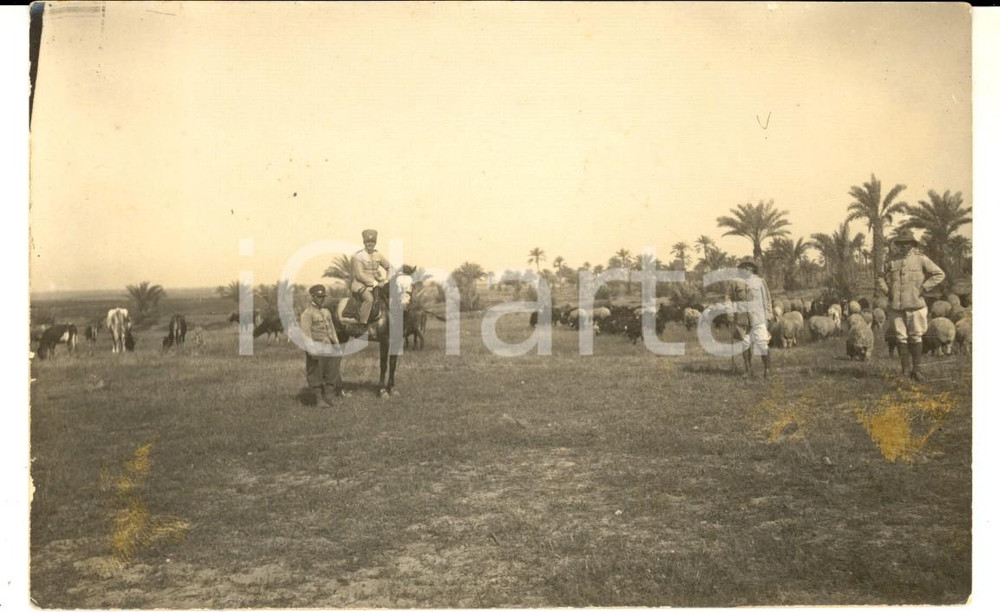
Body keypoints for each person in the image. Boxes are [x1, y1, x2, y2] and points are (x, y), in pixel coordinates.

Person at [877, 228, 945, 381]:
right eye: (901, 243)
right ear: (898, 245)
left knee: (916, 337)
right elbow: (879, 277)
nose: (904, 246)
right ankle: (905, 371)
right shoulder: (891, 260)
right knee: (901, 338)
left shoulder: (921, 259)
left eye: (907, 243)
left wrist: (924, 288)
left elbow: (939, 274)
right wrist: (887, 291)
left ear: (913, 244)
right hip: (896, 307)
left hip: (916, 306)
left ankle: (917, 371)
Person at [299, 284, 350, 406]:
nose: (321, 299)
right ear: (312, 297)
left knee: (331, 371)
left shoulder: (326, 312)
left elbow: (331, 330)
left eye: (323, 297)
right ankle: (319, 400)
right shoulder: (307, 314)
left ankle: (329, 397)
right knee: (316, 373)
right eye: (318, 296)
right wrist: (311, 351)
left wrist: (337, 345)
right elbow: (306, 335)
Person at [726, 258, 775, 379]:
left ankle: (767, 370)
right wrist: (730, 312)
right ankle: (748, 370)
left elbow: (767, 299)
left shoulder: (760, 282)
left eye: (744, 268)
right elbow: (728, 298)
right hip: (742, 319)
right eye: (741, 268)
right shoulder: (734, 282)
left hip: (758, 318)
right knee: (745, 344)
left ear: (750, 269)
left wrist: (768, 315)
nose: (741, 270)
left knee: (763, 344)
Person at [350, 229, 391, 335]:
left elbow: (389, 267)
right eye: (368, 242)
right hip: (360, 285)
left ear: (375, 243)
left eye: (372, 243)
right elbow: (359, 275)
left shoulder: (378, 255)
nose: (370, 244)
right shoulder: (358, 256)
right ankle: (362, 325)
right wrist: (375, 283)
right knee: (370, 299)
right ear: (364, 243)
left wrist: (387, 280)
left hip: (376, 284)